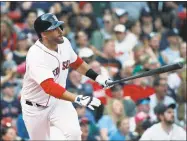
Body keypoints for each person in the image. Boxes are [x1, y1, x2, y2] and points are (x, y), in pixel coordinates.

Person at [20, 13, 113, 140]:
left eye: (59, 26)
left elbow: (76, 62)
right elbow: (49, 87)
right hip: (35, 108)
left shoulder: (64, 43)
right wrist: (77, 98)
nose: (60, 31)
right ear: (44, 34)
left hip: (58, 102)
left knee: (74, 134)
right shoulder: (36, 55)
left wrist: (97, 77)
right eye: (54, 29)